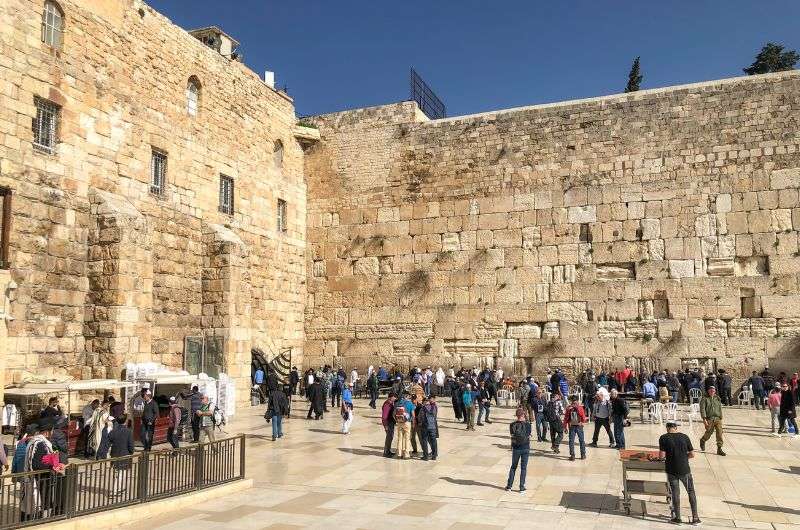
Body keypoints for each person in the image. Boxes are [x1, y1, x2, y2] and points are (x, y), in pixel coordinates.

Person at [658, 422, 700, 525]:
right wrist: (684, 458)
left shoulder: (663, 438)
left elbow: (662, 456)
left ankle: (678, 518)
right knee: (691, 492)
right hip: (685, 469)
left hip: (672, 470)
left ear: (667, 428)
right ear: (676, 428)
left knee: (675, 493)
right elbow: (692, 454)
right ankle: (695, 518)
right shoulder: (685, 437)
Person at [506, 409, 532, 493]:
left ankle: (509, 486)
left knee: (513, 467)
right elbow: (528, 435)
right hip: (525, 448)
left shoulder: (512, 425)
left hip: (516, 448)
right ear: (523, 415)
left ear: (516, 416)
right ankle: (521, 487)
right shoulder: (528, 425)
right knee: (523, 468)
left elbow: (512, 435)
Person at [108, 415, 134, 498]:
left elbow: (109, 438)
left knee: (119, 473)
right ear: (125, 421)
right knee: (121, 474)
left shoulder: (113, 431)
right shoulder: (128, 431)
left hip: (115, 453)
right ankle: (114, 491)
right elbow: (131, 445)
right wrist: (131, 452)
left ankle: (120, 489)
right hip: (124, 454)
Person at [699, 386, 725, 456]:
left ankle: (719, 449)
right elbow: (702, 409)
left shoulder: (717, 398)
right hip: (709, 419)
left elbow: (719, 408)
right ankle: (703, 440)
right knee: (709, 432)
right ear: (708, 391)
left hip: (717, 418)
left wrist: (721, 416)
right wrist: (704, 419)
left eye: (713, 391)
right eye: (711, 391)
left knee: (720, 433)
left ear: (715, 391)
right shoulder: (704, 399)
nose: (712, 392)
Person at [564, 395, 587, 461]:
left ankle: (583, 454)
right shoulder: (569, 408)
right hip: (572, 426)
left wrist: (582, 422)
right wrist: (565, 427)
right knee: (571, 441)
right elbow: (566, 418)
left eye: (575, 402)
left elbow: (583, 417)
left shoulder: (580, 407)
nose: (573, 403)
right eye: (572, 402)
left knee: (581, 440)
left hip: (579, 426)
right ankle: (572, 455)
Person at [419, 395, 439, 460]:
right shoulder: (434, 407)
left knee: (424, 440)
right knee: (433, 441)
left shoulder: (422, 408)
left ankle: (426, 456)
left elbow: (420, 418)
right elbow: (435, 416)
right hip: (433, 426)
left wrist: (420, 423)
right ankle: (434, 455)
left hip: (425, 427)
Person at [394, 393, 413, 459]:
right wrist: (413, 422)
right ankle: (406, 454)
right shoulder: (410, 403)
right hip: (407, 422)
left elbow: (393, 414)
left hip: (399, 422)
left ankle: (399, 454)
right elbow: (413, 414)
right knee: (407, 439)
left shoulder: (397, 403)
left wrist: (397, 420)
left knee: (400, 438)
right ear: (407, 397)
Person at [381, 393, 397, 458]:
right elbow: (384, 416)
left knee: (390, 437)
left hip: (391, 423)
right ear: (391, 397)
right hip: (388, 423)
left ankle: (388, 451)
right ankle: (386, 452)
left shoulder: (390, 404)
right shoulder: (387, 404)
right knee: (389, 438)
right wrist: (385, 426)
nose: (395, 399)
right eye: (394, 397)